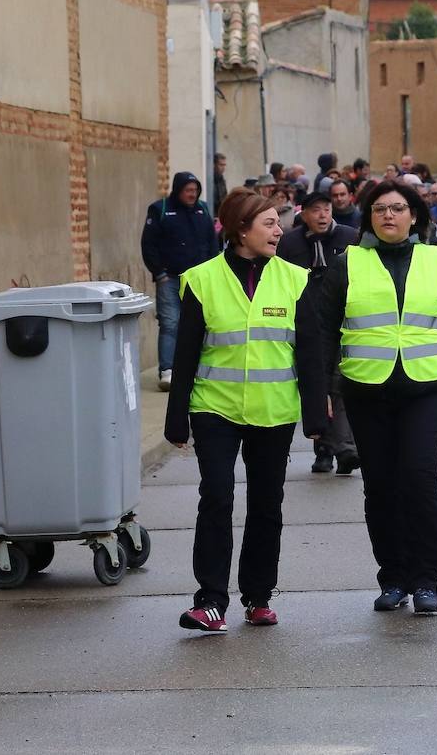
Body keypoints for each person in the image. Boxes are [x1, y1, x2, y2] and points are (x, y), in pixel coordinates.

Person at [165, 187, 327, 632]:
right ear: (241, 229)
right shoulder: (201, 279)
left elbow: (310, 352)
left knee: (266, 505)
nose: (279, 231)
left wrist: (316, 415)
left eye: (279, 223)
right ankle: (210, 601)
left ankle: (258, 596)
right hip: (214, 408)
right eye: (269, 223)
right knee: (217, 497)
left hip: (273, 411)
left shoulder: (295, 279)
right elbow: (186, 353)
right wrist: (176, 416)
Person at [318, 179, 437, 617]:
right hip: (366, 390)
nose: (388, 215)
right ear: (368, 218)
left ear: (414, 216)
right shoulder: (348, 263)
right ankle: (392, 577)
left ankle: (426, 580)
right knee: (381, 485)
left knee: (420, 479)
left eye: (397, 208)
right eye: (379, 209)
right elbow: (323, 331)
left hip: (424, 389)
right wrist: (320, 394)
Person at [276, 191, 361, 475]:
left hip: (343, 321)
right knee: (316, 385)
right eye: (315, 210)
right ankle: (323, 449)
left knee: (339, 383)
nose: (322, 215)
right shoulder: (290, 243)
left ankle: (346, 448)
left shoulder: (350, 237)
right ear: (304, 214)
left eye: (326, 209)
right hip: (307, 323)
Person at [142, 172, 219, 392]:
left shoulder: (203, 210)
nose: (192, 194)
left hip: (199, 280)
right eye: (188, 190)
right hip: (170, 279)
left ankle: (196, 369)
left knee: (200, 323)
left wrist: (214, 270)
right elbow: (148, 244)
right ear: (178, 190)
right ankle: (167, 371)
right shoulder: (160, 209)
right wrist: (159, 272)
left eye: (195, 190)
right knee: (170, 323)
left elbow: (212, 242)